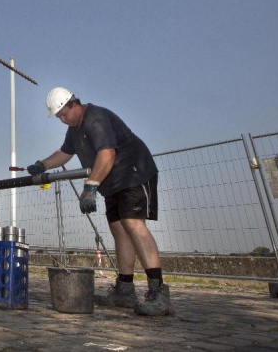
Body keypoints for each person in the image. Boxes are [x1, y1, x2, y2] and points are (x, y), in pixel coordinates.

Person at [26, 87, 173, 316]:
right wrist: (43, 165)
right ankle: (125, 290)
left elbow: (107, 154)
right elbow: (65, 153)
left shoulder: (96, 118)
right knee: (119, 229)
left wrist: (90, 187)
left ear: (74, 104)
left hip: (134, 172)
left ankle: (159, 292)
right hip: (112, 180)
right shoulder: (74, 129)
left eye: (64, 114)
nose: (62, 120)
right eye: (58, 117)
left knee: (133, 224)